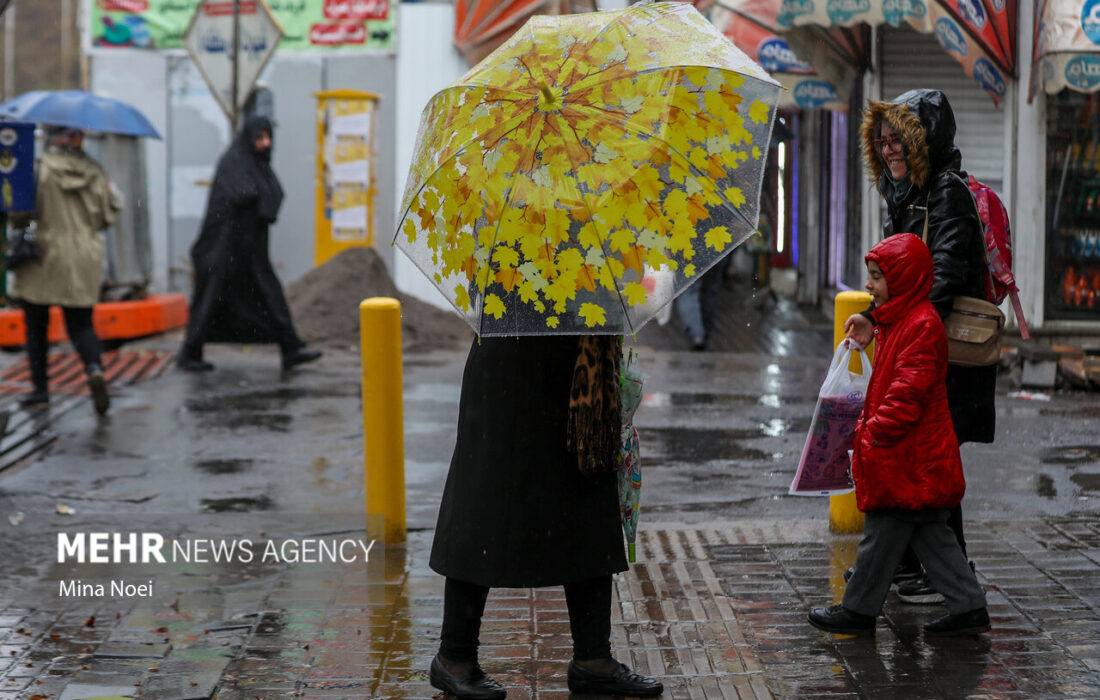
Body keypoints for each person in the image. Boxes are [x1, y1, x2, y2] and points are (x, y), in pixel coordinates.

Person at [428, 335, 663, 698]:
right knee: (486, 506)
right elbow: (479, 284)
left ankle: (593, 659)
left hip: (584, 365)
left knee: (589, 503)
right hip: (510, 364)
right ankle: (454, 658)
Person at [844, 89, 994, 603]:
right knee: (913, 454)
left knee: (932, 460)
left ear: (922, 141)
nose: (888, 150)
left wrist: (890, 320)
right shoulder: (904, 193)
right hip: (915, 339)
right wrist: (875, 315)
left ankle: (946, 576)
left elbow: (946, 273)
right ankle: (907, 569)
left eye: (897, 141)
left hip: (939, 346)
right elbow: (896, 276)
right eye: (881, 141)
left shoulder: (946, 192)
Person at [809, 233, 990, 637]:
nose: (869, 286)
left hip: (908, 453)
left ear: (903, 279)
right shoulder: (902, 320)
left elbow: (907, 396)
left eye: (876, 277)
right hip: (910, 455)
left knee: (884, 531)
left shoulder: (921, 327)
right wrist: (871, 324)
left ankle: (858, 610)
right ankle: (968, 606)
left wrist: (870, 434)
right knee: (928, 533)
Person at [178, 116, 321, 372]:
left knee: (269, 297)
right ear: (248, 139)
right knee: (210, 301)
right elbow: (246, 194)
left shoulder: (256, 165)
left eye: (268, 138)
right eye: (259, 138)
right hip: (220, 250)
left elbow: (271, 197)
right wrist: (261, 199)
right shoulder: (234, 162)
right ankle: (190, 353)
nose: (265, 143)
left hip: (248, 251)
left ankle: (291, 348)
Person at [10, 126, 117, 415]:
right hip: (84, 254)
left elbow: (18, 214)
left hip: (44, 253)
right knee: (81, 323)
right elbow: (111, 212)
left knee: (36, 325)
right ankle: (94, 370)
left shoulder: (38, 170)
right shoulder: (96, 172)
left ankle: (41, 391)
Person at [675, 255, 729, 351]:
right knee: (710, 291)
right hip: (717, 251)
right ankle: (706, 331)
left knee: (688, 291)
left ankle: (696, 335)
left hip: (689, 250)